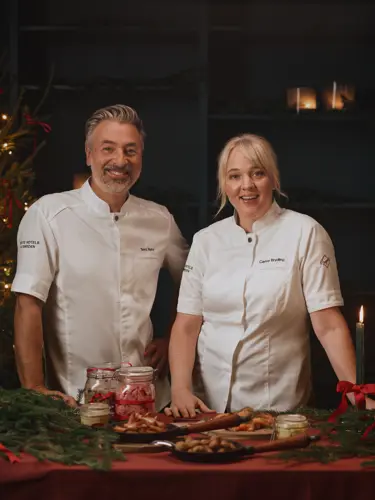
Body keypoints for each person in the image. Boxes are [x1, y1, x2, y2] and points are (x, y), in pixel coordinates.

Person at [166, 133, 370, 418]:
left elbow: (328, 325)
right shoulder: (206, 241)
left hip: (279, 409)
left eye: (257, 173)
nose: (246, 185)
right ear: (224, 184)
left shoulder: (305, 232)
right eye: (234, 176)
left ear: (273, 179)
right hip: (208, 409)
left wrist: (357, 393)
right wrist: (180, 389)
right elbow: (187, 325)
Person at [11, 104, 189, 409]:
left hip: (149, 400)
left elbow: (192, 283)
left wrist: (170, 337)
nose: (120, 161)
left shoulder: (160, 219)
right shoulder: (49, 214)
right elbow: (28, 303)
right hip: (74, 400)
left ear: (141, 158)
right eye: (108, 149)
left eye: (131, 150)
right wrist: (35, 388)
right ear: (89, 153)